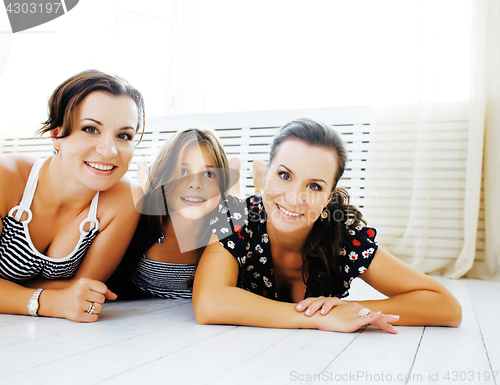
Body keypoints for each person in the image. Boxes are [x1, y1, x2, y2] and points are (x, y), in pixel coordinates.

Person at [192, 118, 462, 333]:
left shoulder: (343, 238)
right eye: (284, 175)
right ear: (267, 176)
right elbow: (209, 304)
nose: (295, 197)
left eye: (314, 186)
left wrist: (354, 309)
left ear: (329, 198)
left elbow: (446, 306)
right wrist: (321, 317)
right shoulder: (235, 217)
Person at [0, 70, 144, 322]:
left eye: (124, 136)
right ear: (56, 133)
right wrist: (48, 301)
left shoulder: (126, 199)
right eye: (90, 129)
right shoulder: (7, 179)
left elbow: (81, 288)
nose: (109, 151)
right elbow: (64, 297)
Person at [106, 128, 232, 299]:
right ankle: (144, 175)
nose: (195, 184)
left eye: (208, 173)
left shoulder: (226, 228)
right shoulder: (139, 222)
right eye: (183, 171)